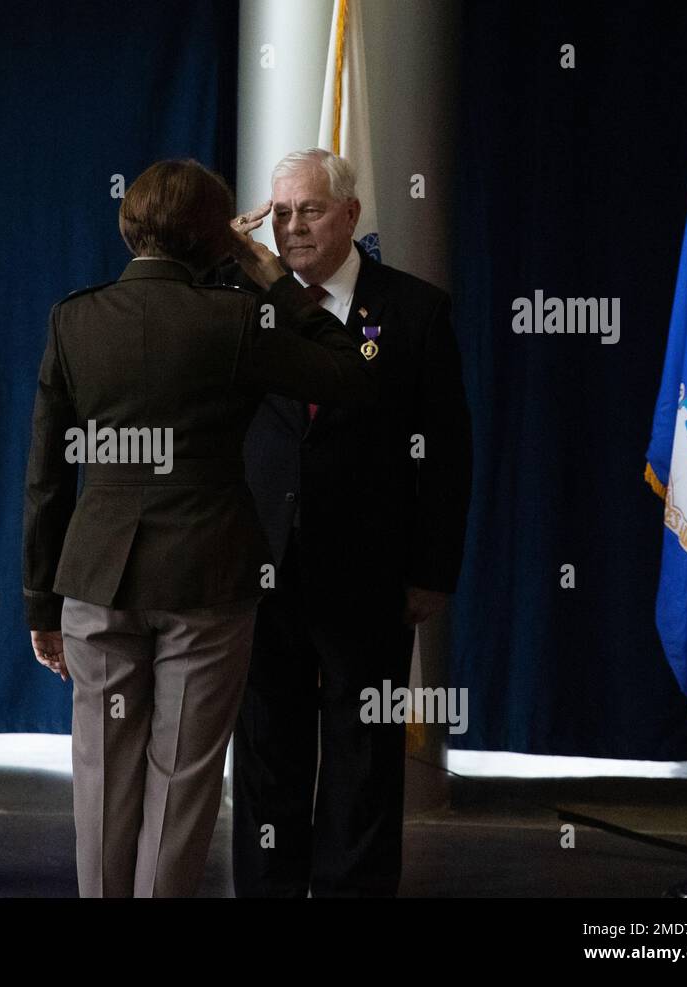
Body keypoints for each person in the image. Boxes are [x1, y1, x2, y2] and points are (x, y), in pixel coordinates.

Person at [22, 158, 375, 897]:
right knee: (181, 782)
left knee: (101, 780)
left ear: (131, 227)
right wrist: (275, 278)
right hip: (207, 578)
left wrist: (40, 601)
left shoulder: (73, 316)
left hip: (95, 578)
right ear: (219, 237)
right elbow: (351, 373)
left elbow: (47, 476)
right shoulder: (240, 318)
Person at [226, 148, 472, 897]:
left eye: (310, 209)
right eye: (281, 212)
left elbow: (449, 452)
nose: (293, 226)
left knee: (365, 754)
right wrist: (222, 259)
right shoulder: (240, 304)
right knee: (269, 750)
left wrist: (433, 569)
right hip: (260, 571)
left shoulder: (415, 310)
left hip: (371, 575)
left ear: (351, 216)